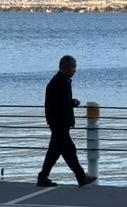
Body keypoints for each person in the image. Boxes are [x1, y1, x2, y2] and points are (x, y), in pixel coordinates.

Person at [37, 55, 97, 188]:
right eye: (73, 68)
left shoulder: (61, 81)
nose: (75, 71)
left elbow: (59, 102)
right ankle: (81, 177)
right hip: (60, 123)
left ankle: (43, 177)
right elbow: (61, 104)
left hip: (58, 123)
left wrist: (71, 103)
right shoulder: (60, 83)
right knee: (69, 150)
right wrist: (72, 103)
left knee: (55, 151)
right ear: (66, 68)